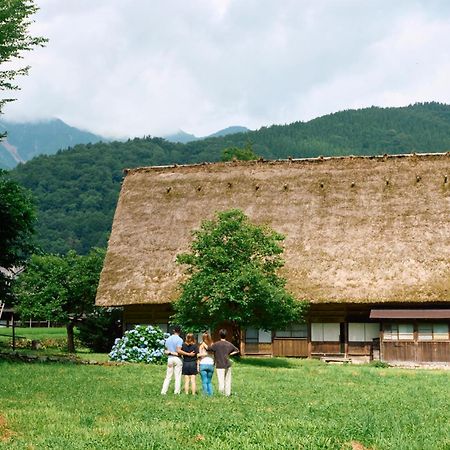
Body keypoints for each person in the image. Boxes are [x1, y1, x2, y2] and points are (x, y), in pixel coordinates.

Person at [161, 326, 192, 395]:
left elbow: (166, 349)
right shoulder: (180, 339)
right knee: (177, 376)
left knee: (168, 376)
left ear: (173, 330)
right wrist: (188, 354)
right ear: (180, 331)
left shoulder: (168, 339)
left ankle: (163, 391)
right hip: (177, 358)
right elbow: (178, 350)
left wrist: (170, 352)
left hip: (170, 358)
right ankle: (176, 392)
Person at [210, 329, 239, 396]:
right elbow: (237, 350)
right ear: (226, 335)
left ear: (219, 335)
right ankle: (227, 394)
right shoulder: (229, 344)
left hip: (219, 364)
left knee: (221, 380)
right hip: (227, 364)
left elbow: (209, 349)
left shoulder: (216, 344)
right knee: (228, 379)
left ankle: (221, 394)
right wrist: (229, 354)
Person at [198, 332, 215, 396]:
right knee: (209, 381)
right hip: (211, 364)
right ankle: (211, 394)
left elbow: (199, 356)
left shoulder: (201, 345)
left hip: (203, 364)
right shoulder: (212, 345)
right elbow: (214, 355)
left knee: (204, 381)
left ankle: (205, 394)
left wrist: (198, 365)